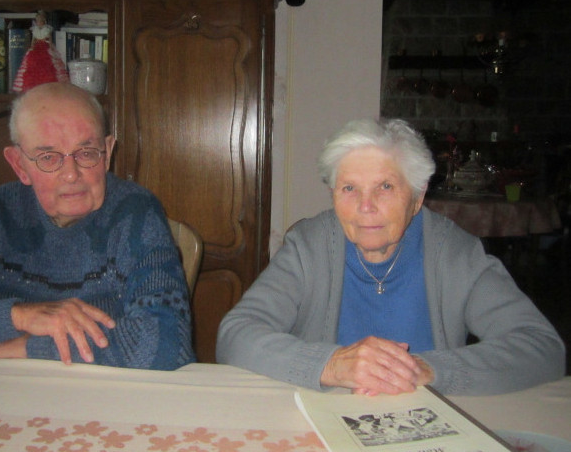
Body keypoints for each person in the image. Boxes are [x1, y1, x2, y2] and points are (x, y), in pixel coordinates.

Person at [217, 118, 565, 395]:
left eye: (385, 186)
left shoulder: (455, 253)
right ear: (332, 193)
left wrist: (425, 370)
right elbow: (235, 336)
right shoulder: (309, 246)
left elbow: (543, 350)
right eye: (349, 188)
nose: (365, 206)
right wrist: (333, 365)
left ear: (417, 196)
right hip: (325, 424)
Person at [0, 82, 195, 370]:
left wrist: (25, 347)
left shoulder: (135, 213)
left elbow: (167, 344)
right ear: (18, 165)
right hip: (4, 395)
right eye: (48, 158)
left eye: (86, 153)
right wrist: (17, 316)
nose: (71, 174)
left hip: (106, 394)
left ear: (108, 152)